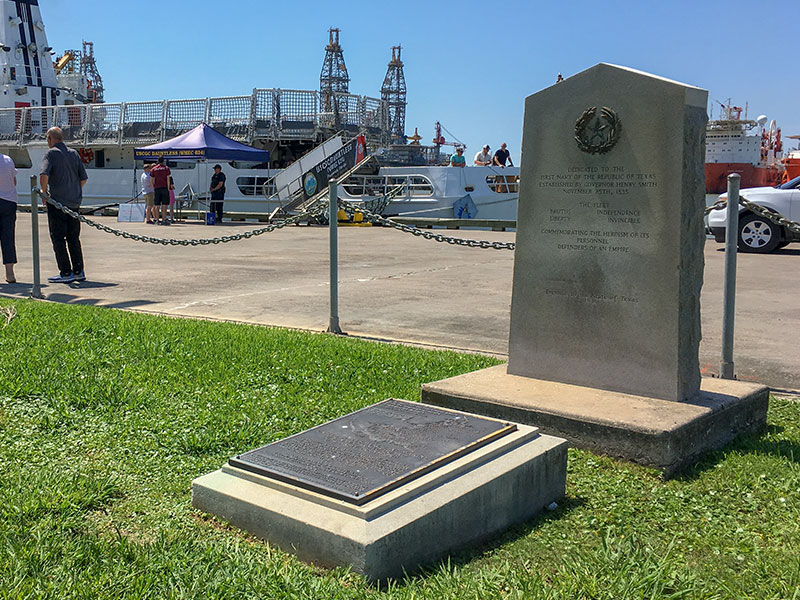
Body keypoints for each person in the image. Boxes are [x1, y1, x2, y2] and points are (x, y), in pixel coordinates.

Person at [39, 126, 88, 284]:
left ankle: (65, 272)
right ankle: (78, 271)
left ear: (50, 139)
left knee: (58, 238)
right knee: (74, 238)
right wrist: (74, 191)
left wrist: (44, 192)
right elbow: (83, 178)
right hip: (74, 203)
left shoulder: (51, 153)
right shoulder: (73, 153)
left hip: (58, 203)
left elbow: (44, 174)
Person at [0, 152, 17, 284]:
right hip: (9, 201)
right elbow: (14, 182)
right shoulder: (8, 159)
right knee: (8, 237)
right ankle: (10, 273)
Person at [149, 156, 171, 225]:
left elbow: (151, 180)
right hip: (164, 187)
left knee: (157, 205)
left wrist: (153, 187)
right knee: (164, 205)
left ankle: (157, 219)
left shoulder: (154, 169)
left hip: (157, 188)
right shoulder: (166, 168)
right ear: (163, 161)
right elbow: (168, 179)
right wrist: (168, 188)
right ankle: (164, 219)